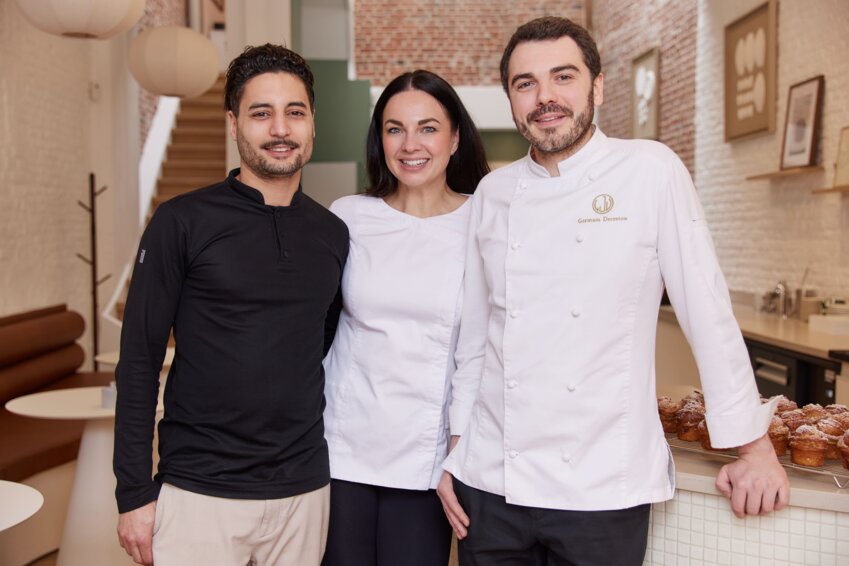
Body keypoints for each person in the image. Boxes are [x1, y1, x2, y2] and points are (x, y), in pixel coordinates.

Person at [436, 16, 790, 565]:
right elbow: (476, 337)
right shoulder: (493, 192)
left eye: (563, 77)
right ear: (510, 98)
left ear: (597, 86)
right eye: (525, 83)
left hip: (602, 487)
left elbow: (707, 312)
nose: (545, 97)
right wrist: (457, 450)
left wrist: (753, 445)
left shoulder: (651, 171)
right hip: (492, 482)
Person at [114, 44, 348, 566]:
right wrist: (133, 492)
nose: (280, 129)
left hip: (304, 490)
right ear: (233, 123)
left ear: (312, 122)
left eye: (295, 112)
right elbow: (138, 362)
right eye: (261, 113)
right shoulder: (181, 222)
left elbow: (318, 344)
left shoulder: (332, 234)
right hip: (200, 492)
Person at [320, 70, 489, 566]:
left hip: (426, 460)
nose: (410, 144)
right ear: (380, 139)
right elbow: (317, 331)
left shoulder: (483, 220)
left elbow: (478, 353)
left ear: (456, 137)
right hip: (342, 448)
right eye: (395, 128)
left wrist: (458, 457)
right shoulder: (349, 216)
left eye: (428, 128)